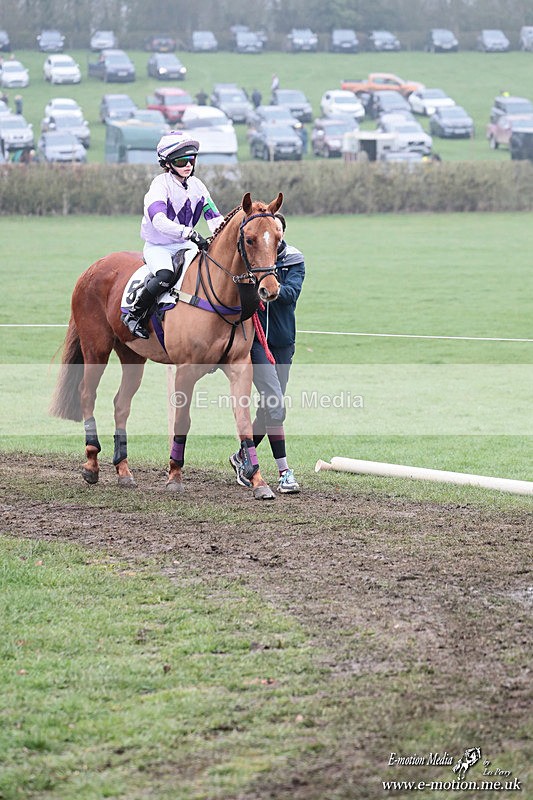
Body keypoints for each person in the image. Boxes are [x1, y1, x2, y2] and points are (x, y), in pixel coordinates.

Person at [229, 213, 305, 494]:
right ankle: (284, 472)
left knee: (270, 408)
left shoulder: (295, 260)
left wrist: (269, 287)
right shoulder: (251, 260)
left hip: (283, 343)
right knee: (275, 405)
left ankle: (242, 457)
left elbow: (291, 293)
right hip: (256, 343)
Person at [121, 131, 223, 339]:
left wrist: (224, 235)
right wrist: (189, 232)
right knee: (165, 276)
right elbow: (158, 220)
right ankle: (134, 315)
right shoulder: (159, 185)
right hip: (159, 246)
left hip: (186, 245)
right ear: (167, 163)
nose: (188, 165)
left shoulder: (198, 186)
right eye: (181, 161)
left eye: (191, 159)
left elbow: (214, 217)